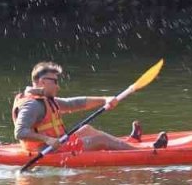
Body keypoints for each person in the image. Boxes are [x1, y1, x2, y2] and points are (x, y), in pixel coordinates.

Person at [14, 61, 166, 153]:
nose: (58, 86)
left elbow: (73, 104)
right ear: (42, 82)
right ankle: (147, 152)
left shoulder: (45, 99)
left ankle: (130, 143)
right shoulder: (32, 105)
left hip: (57, 143)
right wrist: (47, 139)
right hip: (47, 150)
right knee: (100, 140)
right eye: (54, 81)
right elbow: (20, 132)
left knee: (87, 129)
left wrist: (105, 99)